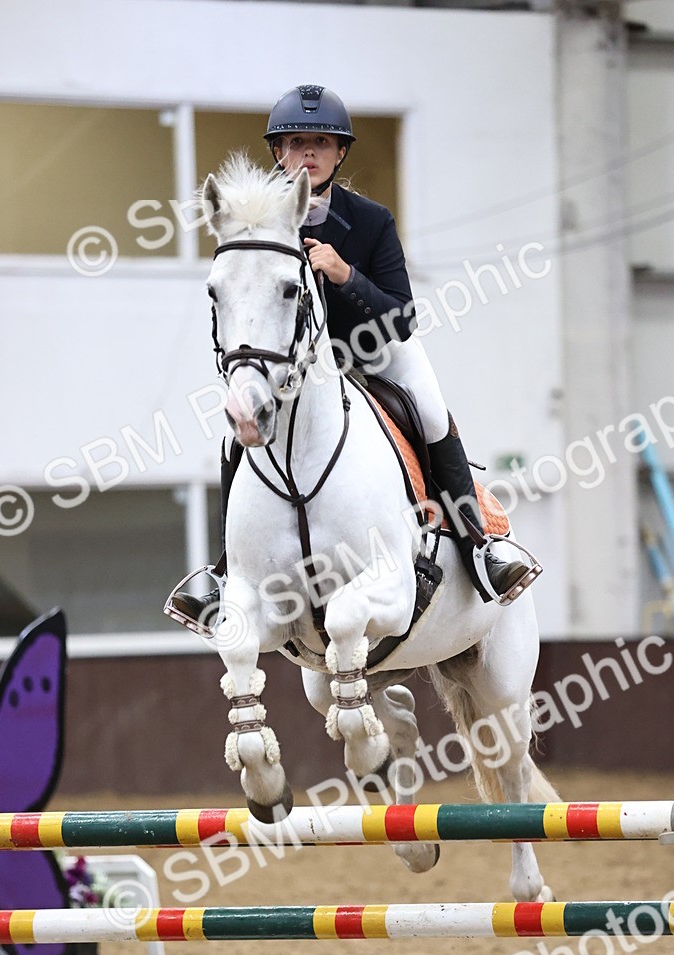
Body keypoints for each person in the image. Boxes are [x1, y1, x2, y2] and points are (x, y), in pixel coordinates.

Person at [167, 84, 540, 634]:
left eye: (321, 142)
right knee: (233, 434)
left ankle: (480, 546)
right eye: (295, 142)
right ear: (277, 151)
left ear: (341, 153)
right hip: (293, 367)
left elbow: (401, 316)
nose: (307, 153)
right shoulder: (257, 222)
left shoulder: (370, 220)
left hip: (373, 351)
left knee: (432, 412)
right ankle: (226, 574)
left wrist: (345, 275)